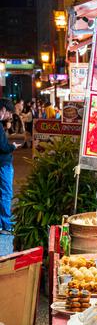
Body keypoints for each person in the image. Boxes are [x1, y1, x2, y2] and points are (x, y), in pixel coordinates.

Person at [0, 98, 22, 234]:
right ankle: (6, 225)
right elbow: (2, 147)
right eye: (9, 113)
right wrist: (12, 146)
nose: (9, 116)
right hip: (3, 164)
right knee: (6, 194)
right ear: (3, 110)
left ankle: (3, 224)